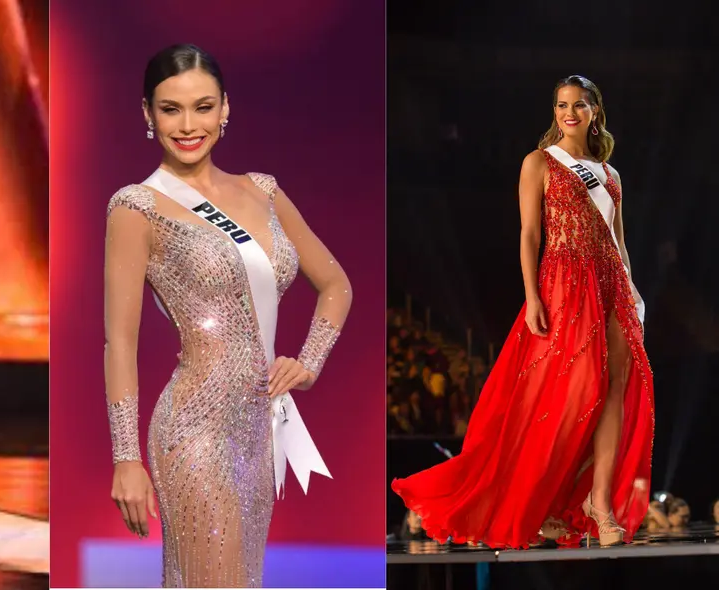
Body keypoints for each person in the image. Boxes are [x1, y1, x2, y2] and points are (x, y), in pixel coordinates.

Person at [103, 44, 351, 587]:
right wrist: (125, 457)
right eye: (171, 109)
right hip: (194, 428)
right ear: (147, 114)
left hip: (259, 426)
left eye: (203, 106)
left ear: (225, 109)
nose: (188, 125)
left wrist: (309, 361)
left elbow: (335, 284)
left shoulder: (262, 191)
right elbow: (118, 342)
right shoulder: (136, 206)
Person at [391, 75, 654, 550]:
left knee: (615, 386)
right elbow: (529, 234)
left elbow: (620, 242)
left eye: (577, 105)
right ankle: (539, 501)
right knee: (572, 392)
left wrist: (633, 293)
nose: (568, 113)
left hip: (612, 283)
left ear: (595, 111)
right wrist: (533, 296)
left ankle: (600, 502)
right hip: (564, 282)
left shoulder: (610, 175)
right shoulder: (540, 163)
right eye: (560, 105)